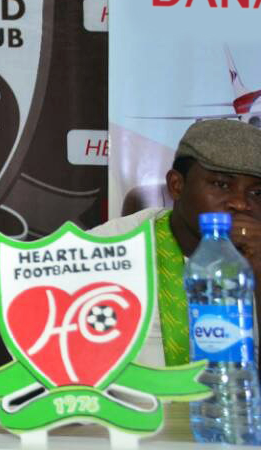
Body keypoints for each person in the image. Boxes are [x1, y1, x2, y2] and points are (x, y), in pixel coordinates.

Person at [90, 118, 261, 366]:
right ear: (176, 185)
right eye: (221, 184)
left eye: (257, 193)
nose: (241, 203)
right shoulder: (108, 248)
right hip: (132, 404)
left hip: (234, 400)